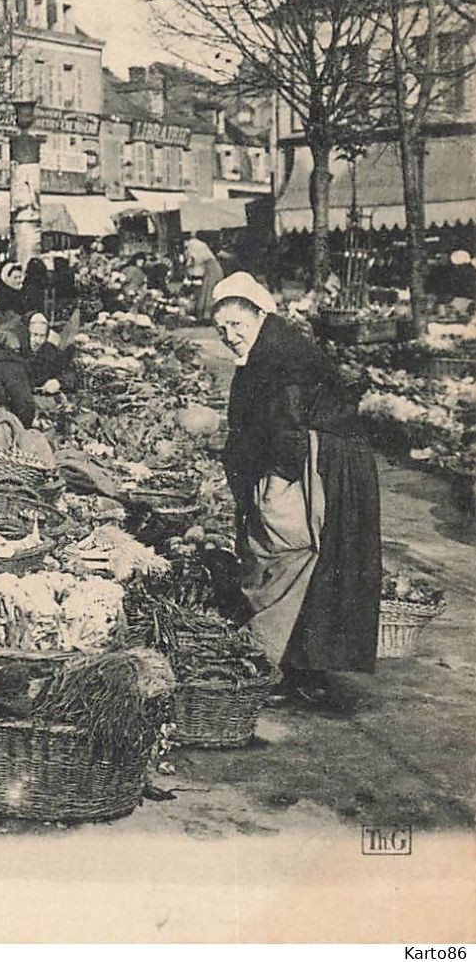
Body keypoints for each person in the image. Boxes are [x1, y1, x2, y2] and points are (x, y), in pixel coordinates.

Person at [212, 272, 381, 711]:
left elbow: (285, 428)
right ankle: (299, 665)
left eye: (237, 325)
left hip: (314, 459)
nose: (230, 336)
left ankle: (285, 663)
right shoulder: (265, 348)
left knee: (289, 547)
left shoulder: (279, 359)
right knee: (302, 555)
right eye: (222, 328)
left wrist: (272, 489)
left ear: (260, 315)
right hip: (311, 453)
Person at [24, 312, 78, 394]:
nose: (38, 341)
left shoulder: (52, 352)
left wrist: (58, 382)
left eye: (42, 336)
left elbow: (70, 374)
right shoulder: (17, 350)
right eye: (34, 335)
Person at [184, 233, 225, 322]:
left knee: (208, 292)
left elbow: (192, 261)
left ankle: (207, 316)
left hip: (211, 269)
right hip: (211, 268)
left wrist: (189, 272)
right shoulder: (198, 244)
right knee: (207, 292)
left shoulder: (192, 245)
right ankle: (207, 316)